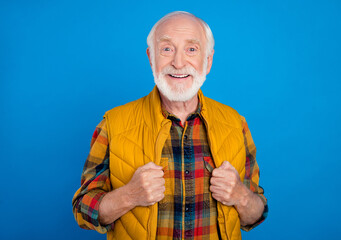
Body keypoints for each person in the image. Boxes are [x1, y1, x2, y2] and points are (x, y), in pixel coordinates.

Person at [72, 11, 268, 240]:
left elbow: (257, 214)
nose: (178, 62)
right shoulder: (113, 124)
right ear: (151, 58)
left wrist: (241, 196)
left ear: (208, 61)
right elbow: (82, 210)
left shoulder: (235, 123)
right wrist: (129, 196)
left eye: (191, 49)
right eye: (166, 49)